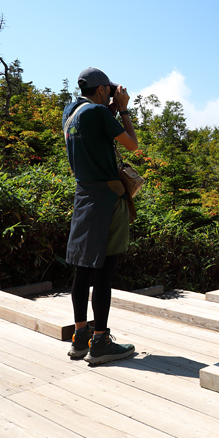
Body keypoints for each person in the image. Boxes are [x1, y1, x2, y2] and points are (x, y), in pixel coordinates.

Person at [63, 67, 137, 365]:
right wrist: (125, 111)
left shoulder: (71, 111)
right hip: (108, 199)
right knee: (105, 272)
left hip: (83, 198)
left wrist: (110, 106)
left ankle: (81, 337)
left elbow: (93, 119)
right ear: (103, 89)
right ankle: (101, 342)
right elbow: (132, 144)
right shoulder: (100, 113)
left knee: (83, 270)